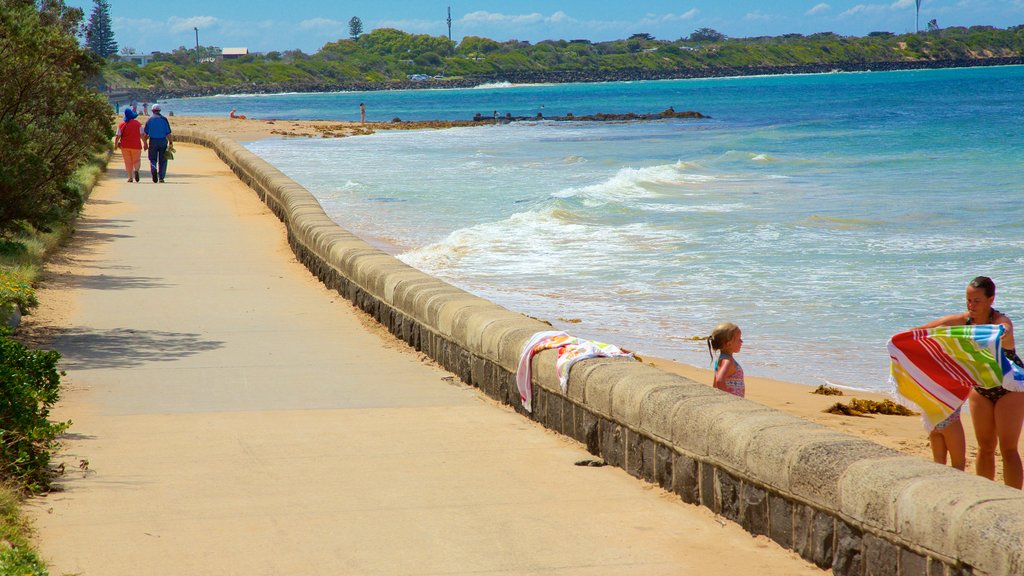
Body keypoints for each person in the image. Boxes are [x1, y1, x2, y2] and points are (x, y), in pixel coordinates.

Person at [915, 276, 1024, 488]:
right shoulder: (965, 321)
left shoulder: (1000, 322)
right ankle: (985, 494)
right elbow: (927, 330)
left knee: (1008, 449)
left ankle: (1014, 498)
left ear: (991, 299)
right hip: (981, 388)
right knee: (985, 447)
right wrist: (902, 339)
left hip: (1010, 388)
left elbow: (1006, 330)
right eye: (968, 300)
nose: (971, 305)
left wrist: (1002, 334)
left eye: (977, 301)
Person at [708, 322, 745, 398]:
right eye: (739, 339)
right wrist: (727, 399)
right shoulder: (728, 362)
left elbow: (715, 383)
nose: (741, 342)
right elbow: (719, 381)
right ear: (729, 344)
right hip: (733, 402)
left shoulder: (720, 359)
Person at [142, 103, 173, 183]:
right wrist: (171, 142)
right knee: (163, 160)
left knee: (152, 159)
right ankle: (161, 177)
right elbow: (168, 133)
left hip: (153, 141)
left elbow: (146, 134)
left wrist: (145, 143)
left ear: (152, 110)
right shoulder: (164, 119)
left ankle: (153, 170)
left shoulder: (149, 120)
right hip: (163, 141)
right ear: (159, 110)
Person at [113, 108, 143, 183]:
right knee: (137, 160)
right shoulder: (137, 124)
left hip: (125, 146)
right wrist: (145, 143)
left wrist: (116, 145)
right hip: (136, 145)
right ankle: (136, 170)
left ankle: (130, 177)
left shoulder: (121, 125)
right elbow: (142, 135)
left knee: (128, 162)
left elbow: (117, 136)